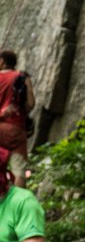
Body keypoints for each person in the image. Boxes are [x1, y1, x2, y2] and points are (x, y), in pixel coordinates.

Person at [0, 50, 35, 188]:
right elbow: (30, 104)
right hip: (15, 128)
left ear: (2, 61)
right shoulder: (23, 77)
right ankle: (17, 202)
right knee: (19, 170)